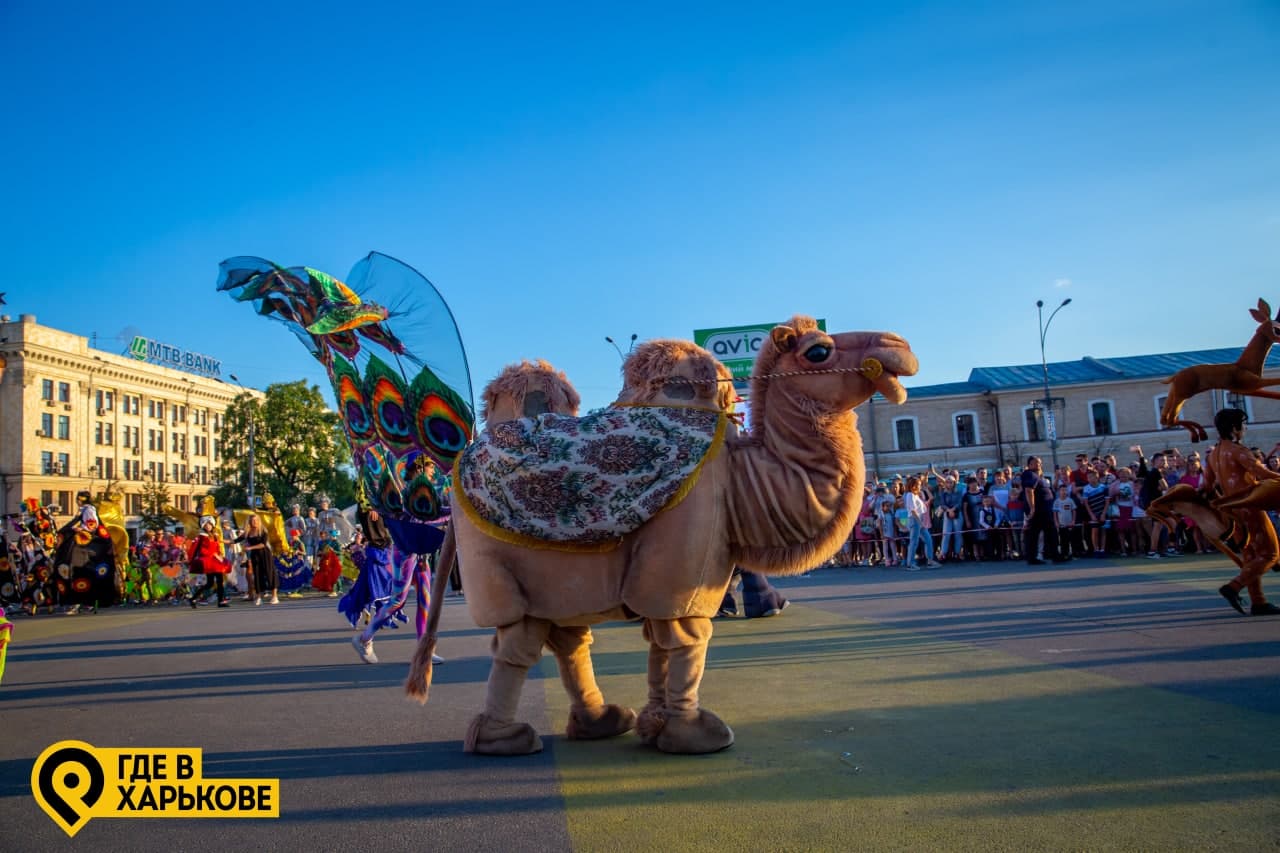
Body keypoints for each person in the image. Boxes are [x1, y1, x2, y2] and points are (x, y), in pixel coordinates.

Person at [1205, 408, 1280, 616]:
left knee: (1250, 556)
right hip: (1250, 507)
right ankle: (1233, 587)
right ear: (1234, 428)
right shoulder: (1238, 451)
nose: (1245, 429)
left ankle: (1258, 602)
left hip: (1233, 512)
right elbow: (1261, 473)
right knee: (1270, 554)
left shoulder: (1214, 454)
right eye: (1243, 425)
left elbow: (1207, 486)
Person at [1021, 456, 1064, 565]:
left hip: (1044, 510)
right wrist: (1032, 507)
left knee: (1037, 534)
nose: (1039, 465)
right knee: (1049, 532)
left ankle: (1034, 557)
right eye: (1036, 463)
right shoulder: (1030, 474)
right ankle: (1054, 556)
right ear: (1030, 465)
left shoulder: (1038, 476)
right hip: (1039, 511)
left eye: (1040, 463)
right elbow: (1029, 490)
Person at [187, 516, 231, 607]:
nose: (208, 526)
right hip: (208, 561)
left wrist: (219, 555)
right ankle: (194, 598)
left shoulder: (215, 535)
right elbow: (198, 549)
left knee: (218, 581)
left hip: (216, 560)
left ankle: (219, 601)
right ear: (203, 526)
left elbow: (217, 547)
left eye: (210, 524)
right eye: (206, 525)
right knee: (212, 582)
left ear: (212, 525)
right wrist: (191, 560)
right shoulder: (202, 536)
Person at [235, 514, 277, 605]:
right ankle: (258, 597)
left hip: (265, 554)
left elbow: (263, 544)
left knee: (269, 574)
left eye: (256, 520)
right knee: (257, 576)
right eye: (252, 521)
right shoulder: (247, 532)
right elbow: (235, 540)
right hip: (255, 556)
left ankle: (274, 596)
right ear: (249, 522)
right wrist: (220, 540)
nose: (254, 522)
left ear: (259, 521)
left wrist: (250, 548)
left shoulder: (263, 531)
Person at [902, 476, 940, 571]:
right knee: (914, 542)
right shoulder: (910, 495)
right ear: (913, 486)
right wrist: (920, 522)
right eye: (918, 485)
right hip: (915, 520)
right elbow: (913, 510)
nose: (920, 487)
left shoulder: (915, 495)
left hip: (920, 520)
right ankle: (910, 564)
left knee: (928, 539)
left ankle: (930, 561)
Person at [1052, 484, 1077, 562]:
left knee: (1070, 539)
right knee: (1062, 540)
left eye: (1065, 490)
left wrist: (1073, 521)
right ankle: (1063, 554)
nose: (1064, 492)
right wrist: (1056, 522)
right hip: (1061, 525)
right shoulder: (1056, 501)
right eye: (1062, 490)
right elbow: (1055, 513)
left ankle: (1070, 554)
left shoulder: (1070, 500)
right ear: (1059, 491)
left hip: (1069, 524)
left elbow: (1074, 511)